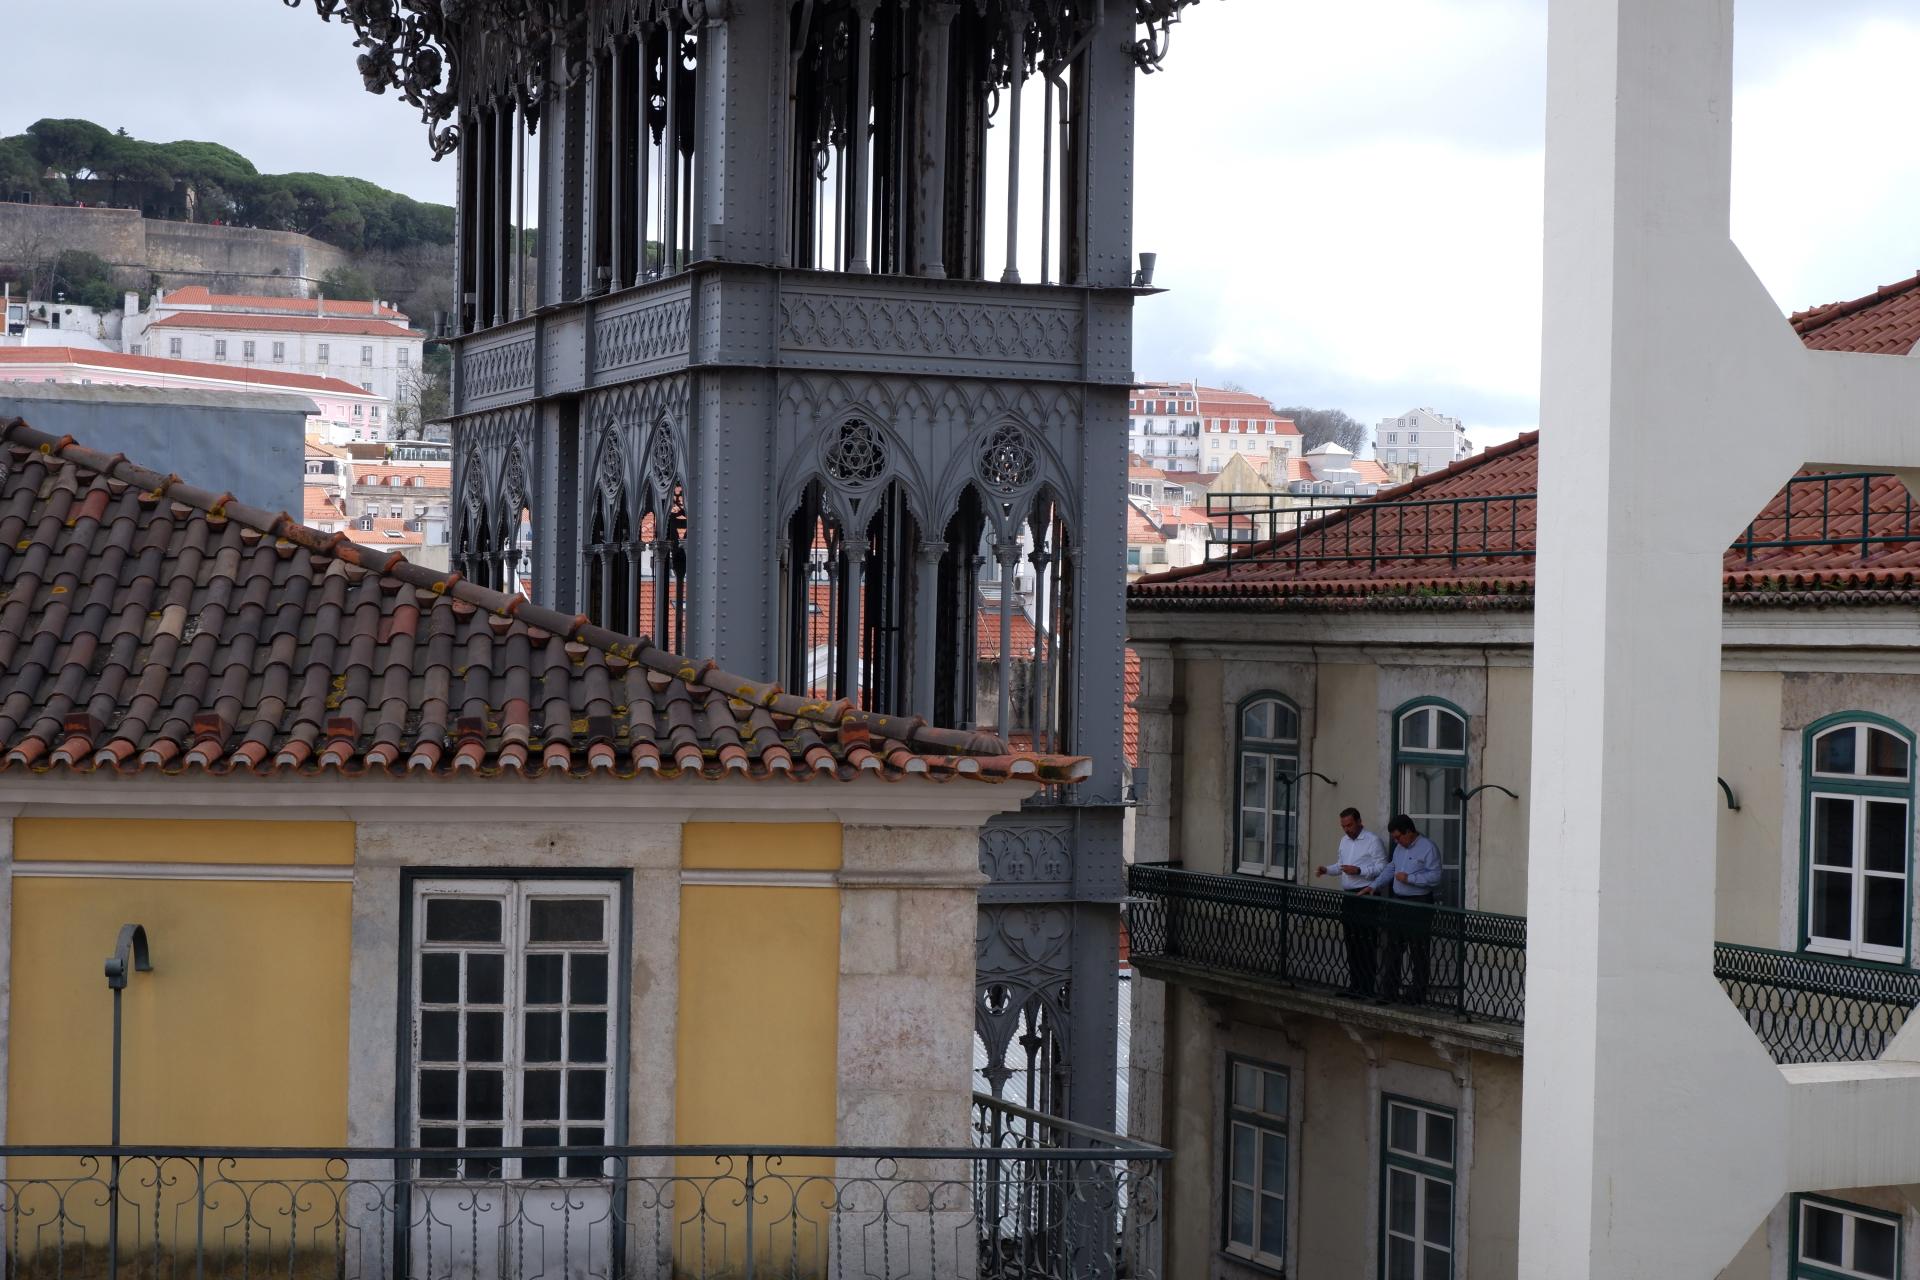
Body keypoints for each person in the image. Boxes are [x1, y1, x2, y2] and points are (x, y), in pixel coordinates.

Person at [1363, 814, 1443, 1005]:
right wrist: (1374, 885)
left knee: (1419, 951)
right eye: (1394, 838)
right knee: (1393, 949)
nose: (1396, 841)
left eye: (1399, 837)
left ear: (1409, 831)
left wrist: (1410, 879)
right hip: (1399, 903)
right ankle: (1389, 991)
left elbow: (1436, 877)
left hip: (1419, 903)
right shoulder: (1399, 848)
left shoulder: (1428, 848)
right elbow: (1391, 868)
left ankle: (1417, 994)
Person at [1316, 808, 1389, 997]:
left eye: (1349, 825)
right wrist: (1327, 870)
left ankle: (1367, 988)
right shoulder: (1344, 841)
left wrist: (1359, 870)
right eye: (1343, 826)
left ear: (1359, 822)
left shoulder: (1372, 841)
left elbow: (1383, 867)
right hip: (1348, 895)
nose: (1346, 829)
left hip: (1366, 895)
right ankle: (1355, 985)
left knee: (1366, 943)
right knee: (1352, 942)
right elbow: (1340, 866)